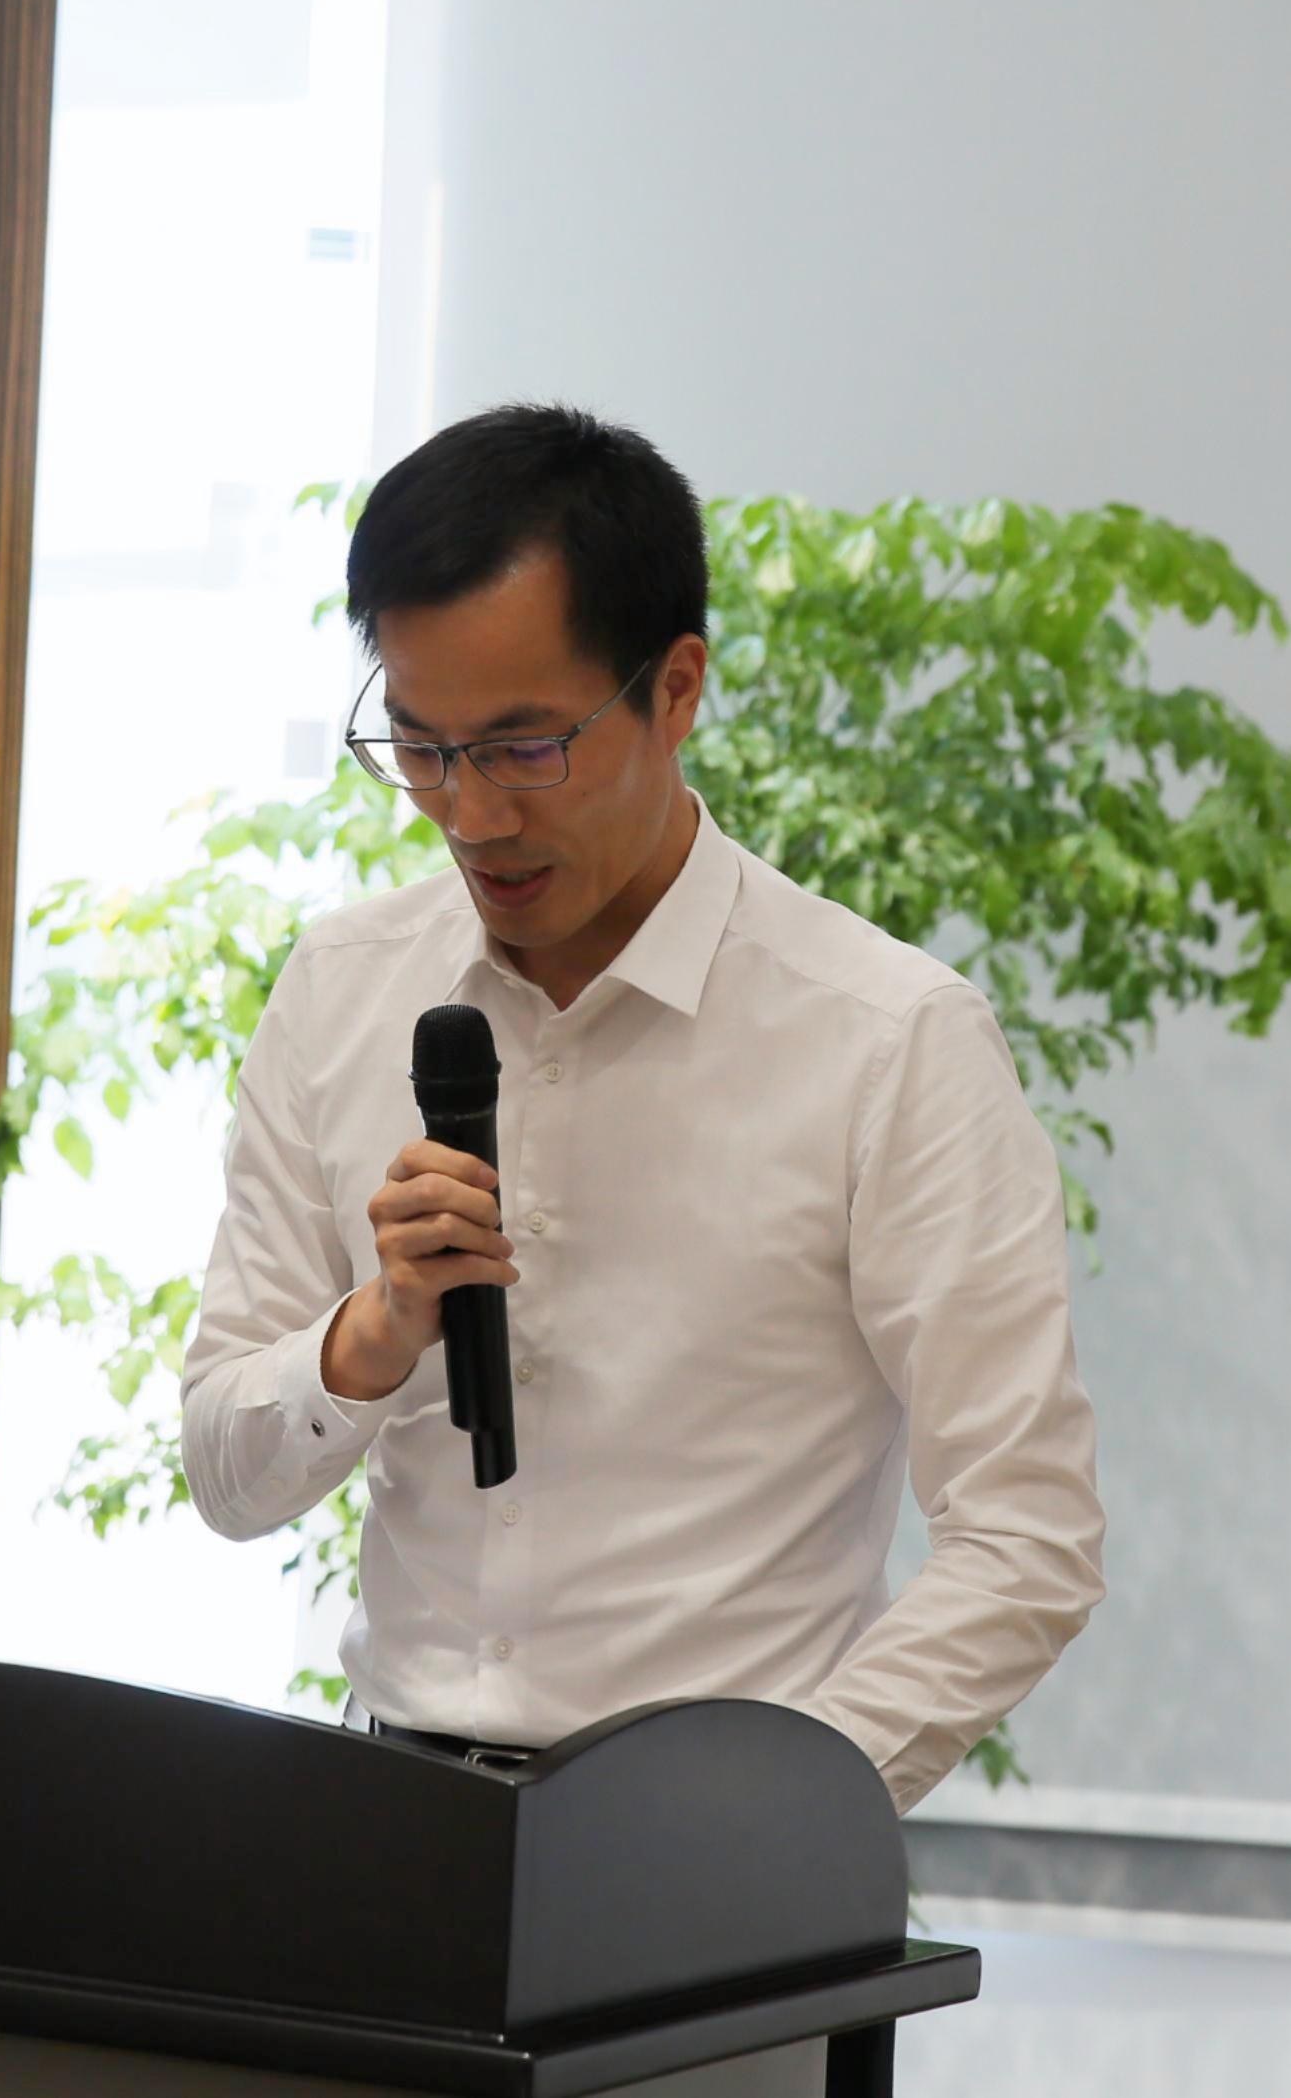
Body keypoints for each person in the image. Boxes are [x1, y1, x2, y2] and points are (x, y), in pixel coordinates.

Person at [179, 403, 1105, 1809]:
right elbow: (224, 1474)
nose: (470, 814)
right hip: (392, 1823)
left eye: (524, 748)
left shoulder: (888, 1040)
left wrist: (776, 1808)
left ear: (677, 688)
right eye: (421, 747)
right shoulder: (341, 989)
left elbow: (1027, 1533)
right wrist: (371, 1333)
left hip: (718, 1843)